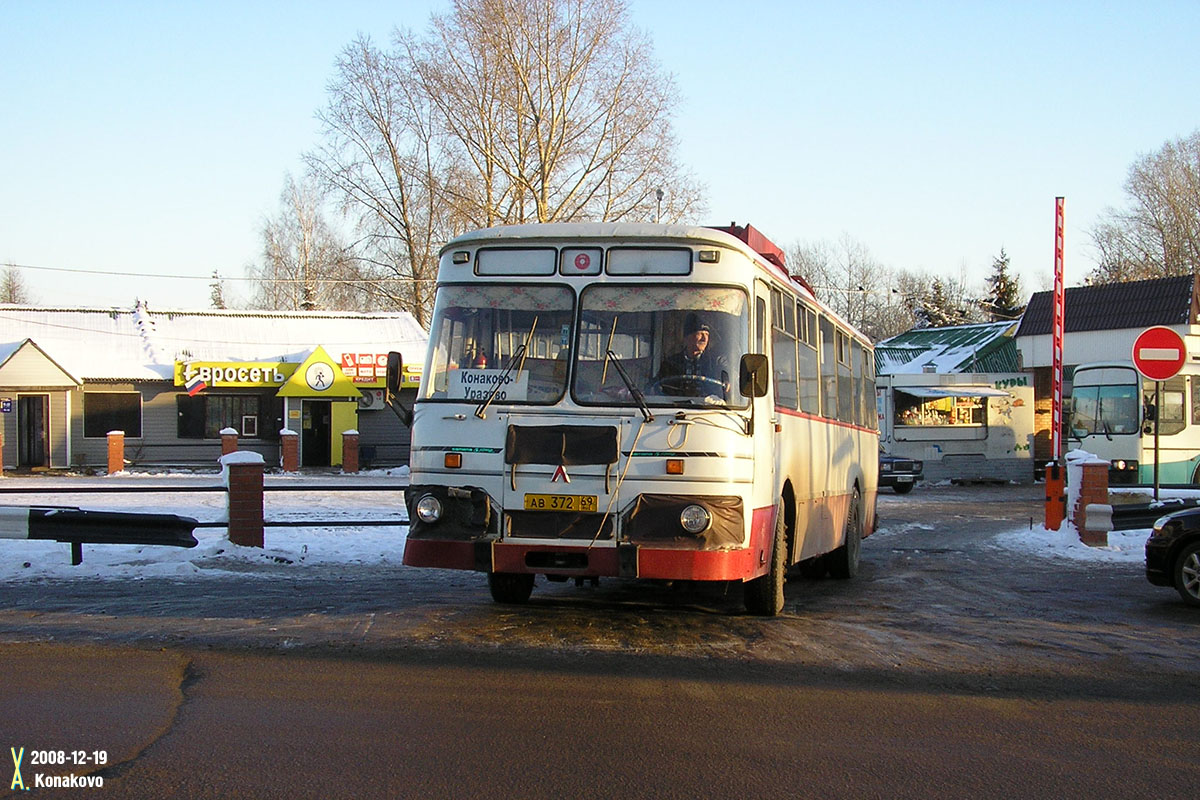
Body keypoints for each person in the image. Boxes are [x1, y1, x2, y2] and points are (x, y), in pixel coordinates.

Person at [655, 313, 729, 397]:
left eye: (707, 334)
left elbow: (727, 371)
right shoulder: (670, 363)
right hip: (675, 406)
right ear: (687, 338)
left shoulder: (716, 361)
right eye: (700, 333)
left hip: (707, 408)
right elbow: (657, 384)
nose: (704, 338)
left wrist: (727, 379)